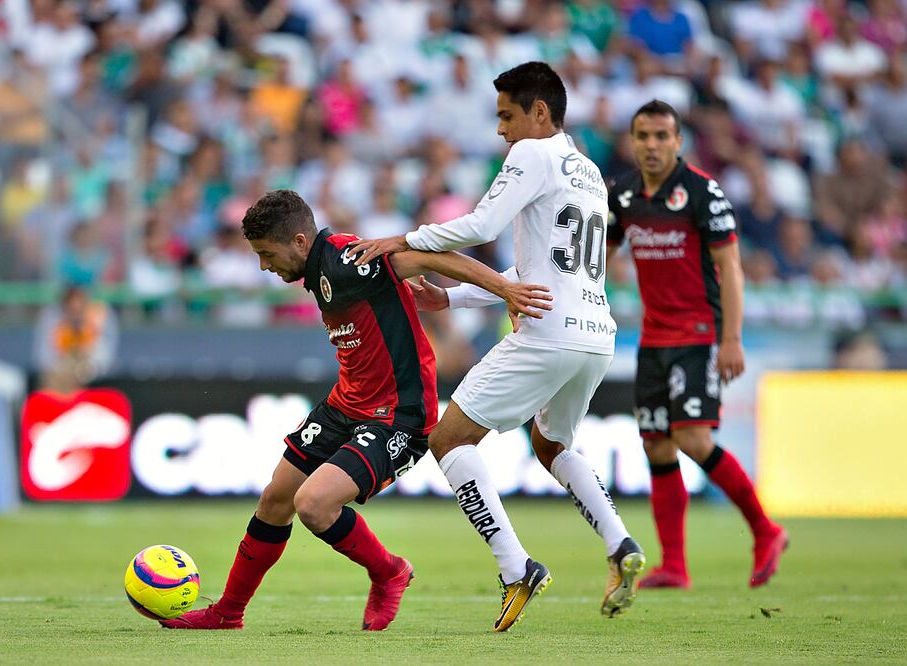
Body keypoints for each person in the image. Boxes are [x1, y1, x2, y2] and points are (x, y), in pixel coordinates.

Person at [161, 190, 551, 631]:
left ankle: (389, 572)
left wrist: (504, 289)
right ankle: (227, 613)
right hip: (345, 404)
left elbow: (430, 256)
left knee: (313, 505)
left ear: (300, 242)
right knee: (274, 500)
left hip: (397, 416)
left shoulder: (349, 259)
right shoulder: (315, 269)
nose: (264, 266)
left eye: (267, 254)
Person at [350, 61, 645, 629]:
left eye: (508, 115)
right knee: (553, 444)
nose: (501, 131)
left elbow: (481, 225)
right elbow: (538, 268)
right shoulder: (585, 170)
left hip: (548, 333)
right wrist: (454, 299)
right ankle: (619, 543)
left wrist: (401, 240)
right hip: (595, 336)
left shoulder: (532, 154)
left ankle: (516, 568)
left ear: (540, 112)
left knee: (449, 438)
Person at [605, 100, 788, 589]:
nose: (651, 145)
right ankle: (675, 566)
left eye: (662, 136)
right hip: (652, 338)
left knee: (692, 439)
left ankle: (766, 530)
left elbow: (730, 267)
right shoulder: (622, 195)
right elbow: (601, 249)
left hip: (698, 335)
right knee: (657, 445)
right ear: (632, 140)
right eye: (643, 135)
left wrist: (731, 338)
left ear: (678, 141)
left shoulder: (702, 192)